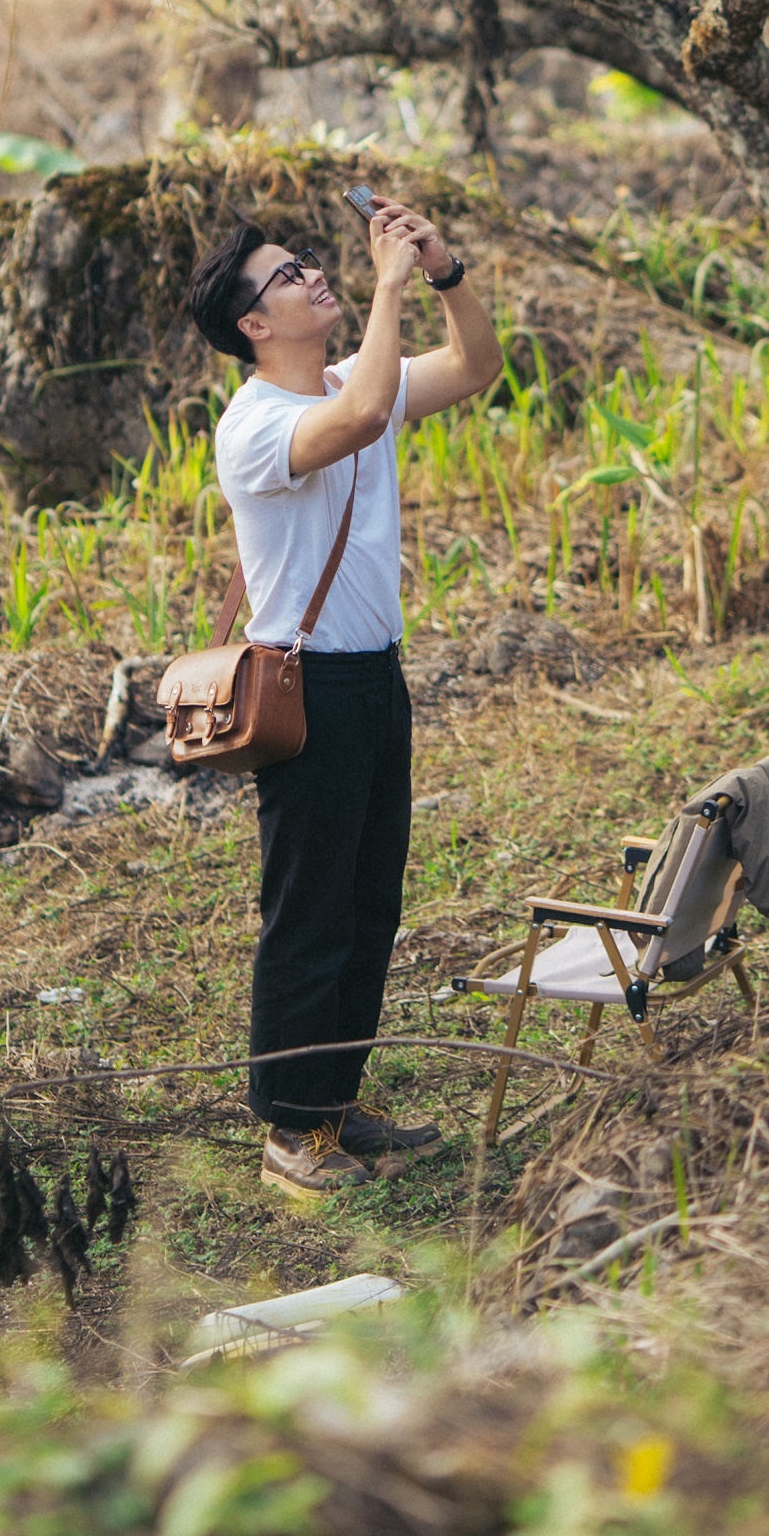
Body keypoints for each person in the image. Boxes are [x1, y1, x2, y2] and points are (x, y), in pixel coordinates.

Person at [185, 193, 503, 1202]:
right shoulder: (256, 423)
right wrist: (387, 285)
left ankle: (331, 1102)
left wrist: (444, 274)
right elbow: (361, 414)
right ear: (252, 324)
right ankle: (287, 1130)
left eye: (310, 262)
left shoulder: (338, 379)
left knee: (369, 901)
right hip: (305, 684)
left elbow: (475, 368)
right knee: (307, 909)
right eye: (289, 275)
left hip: (375, 675)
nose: (312, 274)